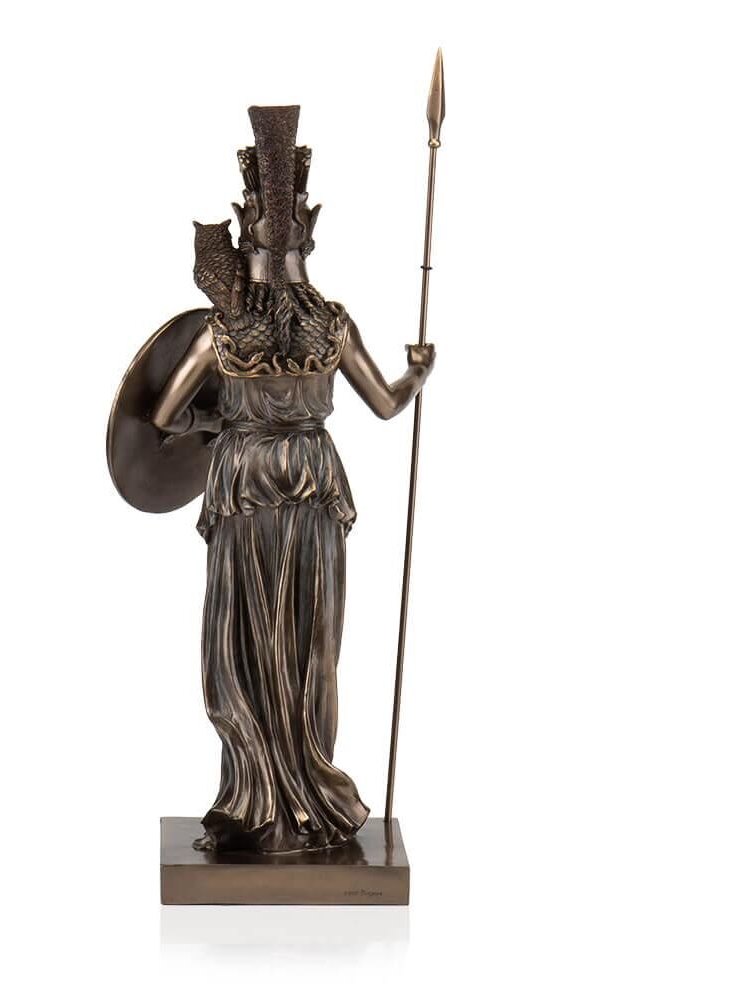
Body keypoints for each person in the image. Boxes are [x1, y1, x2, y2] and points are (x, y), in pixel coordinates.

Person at [150, 106, 435, 853]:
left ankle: (255, 800)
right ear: (307, 238)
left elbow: (163, 418)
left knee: (244, 637)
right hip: (310, 476)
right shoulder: (332, 325)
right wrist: (418, 371)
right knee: (310, 638)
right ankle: (307, 791)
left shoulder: (221, 332)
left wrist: (220, 420)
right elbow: (386, 403)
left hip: (245, 479)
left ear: (246, 241)